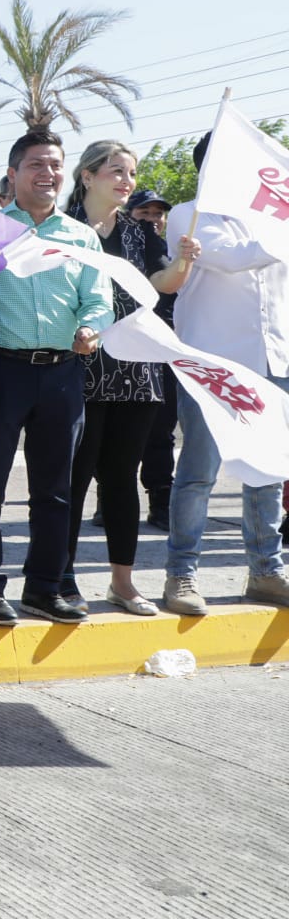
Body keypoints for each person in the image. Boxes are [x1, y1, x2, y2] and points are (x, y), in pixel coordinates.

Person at [0, 130, 114, 627]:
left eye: (54, 165)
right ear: (13, 173)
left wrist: (93, 326)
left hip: (63, 374)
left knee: (56, 490)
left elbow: (99, 298)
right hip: (0, 375)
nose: (46, 174)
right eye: (35, 165)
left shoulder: (80, 236)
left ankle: (45, 588)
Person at [60, 141, 199, 616]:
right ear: (87, 176)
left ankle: (122, 582)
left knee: (121, 478)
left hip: (136, 371)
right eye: (116, 171)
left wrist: (183, 262)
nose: (127, 180)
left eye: (131, 173)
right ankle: (61, 578)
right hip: (76, 367)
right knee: (73, 480)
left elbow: (162, 284)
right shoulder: (62, 230)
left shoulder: (141, 234)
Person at [161, 131, 289, 613]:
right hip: (212, 364)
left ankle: (266, 572)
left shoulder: (272, 218)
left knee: (269, 473)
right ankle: (182, 575)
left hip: (274, 360)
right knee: (199, 472)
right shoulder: (187, 215)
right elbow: (235, 259)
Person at [127, 188, 179, 530]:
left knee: (161, 429)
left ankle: (161, 500)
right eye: (144, 213)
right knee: (120, 431)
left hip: (164, 350)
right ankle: (108, 497)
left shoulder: (175, 248)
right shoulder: (121, 244)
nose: (152, 220)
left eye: (158, 214)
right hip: (124, 348)